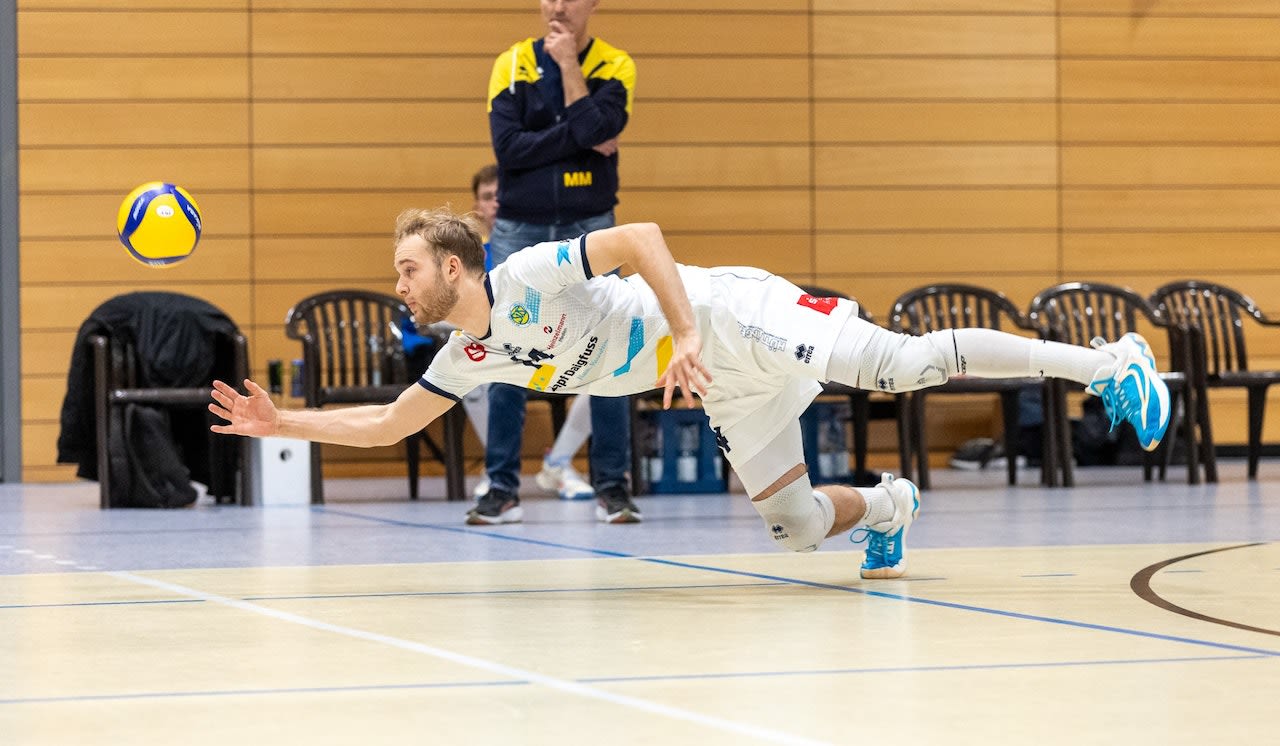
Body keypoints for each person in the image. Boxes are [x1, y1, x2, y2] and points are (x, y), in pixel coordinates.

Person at [209, 209, 1172, 580]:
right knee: (795, 525)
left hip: (730, 319)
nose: (399, 284)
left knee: (904, 365)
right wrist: (277, 421)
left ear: (457, 266)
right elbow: (385, 424)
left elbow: (645, 238)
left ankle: (1108, 363)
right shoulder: (470, 353)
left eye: (409, 268)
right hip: (721, 384)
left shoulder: (535, 270)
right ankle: (888, 504)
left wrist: (683, 333)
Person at [479, 0, 637, 524]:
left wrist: (570, 66)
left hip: (590, 225)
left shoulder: (615, 65)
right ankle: (500, 488)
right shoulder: (513, 63)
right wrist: (584, 137)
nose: (557, 6)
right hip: (519, 228)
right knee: (504, 349)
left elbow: (553, 141)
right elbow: (509, 151)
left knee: (612, 353)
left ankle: (612, 487)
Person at [468, 165, 597, 502]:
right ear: (477, 207)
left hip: (553, 346)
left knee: (606, 376)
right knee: (476, 379)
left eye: (500, 195)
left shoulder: (537, 249)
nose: (495, 203)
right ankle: (495, 470)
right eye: (486, 197)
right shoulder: (469, 257)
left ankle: (558, 463)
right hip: (502, 351)